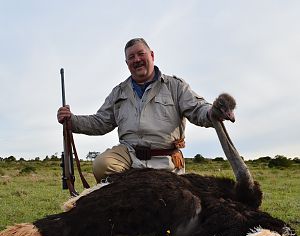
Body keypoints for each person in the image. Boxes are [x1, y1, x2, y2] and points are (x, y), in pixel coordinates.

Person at [57, 38, 217, 183]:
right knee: (101, 165)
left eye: (141, 54)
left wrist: (212, 113)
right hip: (129, 154)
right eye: (131, 57)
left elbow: (198, 108)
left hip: (165, 158)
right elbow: (100, 122)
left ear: (152, 55)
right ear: (127, 63)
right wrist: (72, 120)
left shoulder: (176, 86)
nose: (137, 60)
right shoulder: (119, 92)